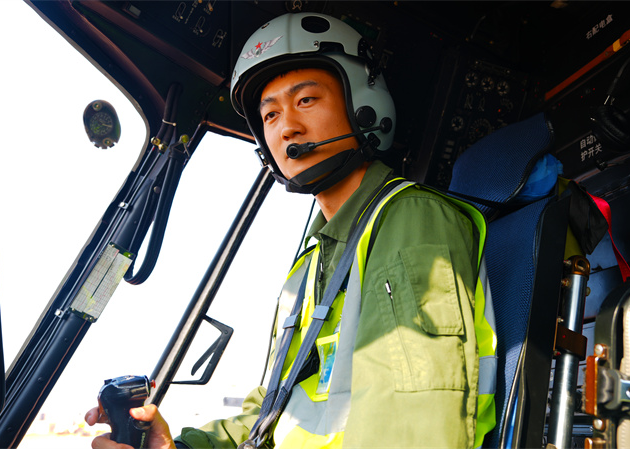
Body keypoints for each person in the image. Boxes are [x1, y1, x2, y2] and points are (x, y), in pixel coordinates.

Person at [87, 12, 496, 449]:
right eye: (270, 115)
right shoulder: (314, 259)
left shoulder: (410, 222)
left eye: (306, 100)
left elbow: (413, 429)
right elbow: (275, 409)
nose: (287, 128)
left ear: (363, 105)